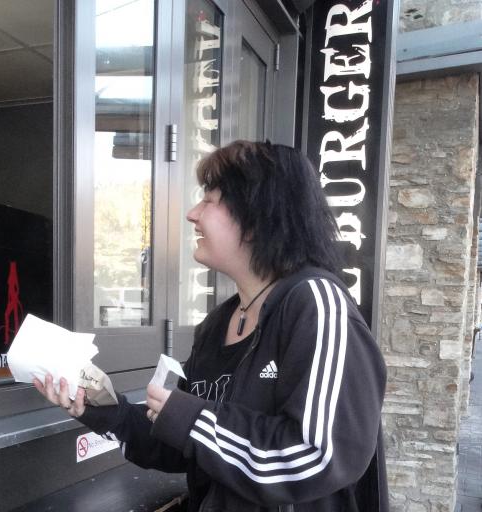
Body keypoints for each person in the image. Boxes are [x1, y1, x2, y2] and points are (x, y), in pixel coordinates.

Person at [34, 141, 388, 511]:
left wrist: (190, 417)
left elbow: (318, 456)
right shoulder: (218, 323)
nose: (192, 214)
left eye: (209, 201)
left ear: (256, 217)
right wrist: (102, 408)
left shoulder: (315, 305)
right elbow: (183, 449)